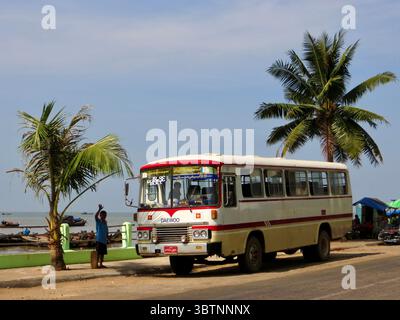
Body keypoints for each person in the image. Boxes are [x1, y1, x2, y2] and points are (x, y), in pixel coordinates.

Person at [95, 204, 109, 269]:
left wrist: (107, 237)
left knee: (102, 253)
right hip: (99, 239)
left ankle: (101, 264)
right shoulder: (98, 221)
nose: (104, 216)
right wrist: (99, 209)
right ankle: (96, 264)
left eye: (105, 215)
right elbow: (95, 216)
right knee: (98, 253)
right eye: (103, 215)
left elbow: (106, 231)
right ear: (100, 215)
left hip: (104, 240)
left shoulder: (105, 222)